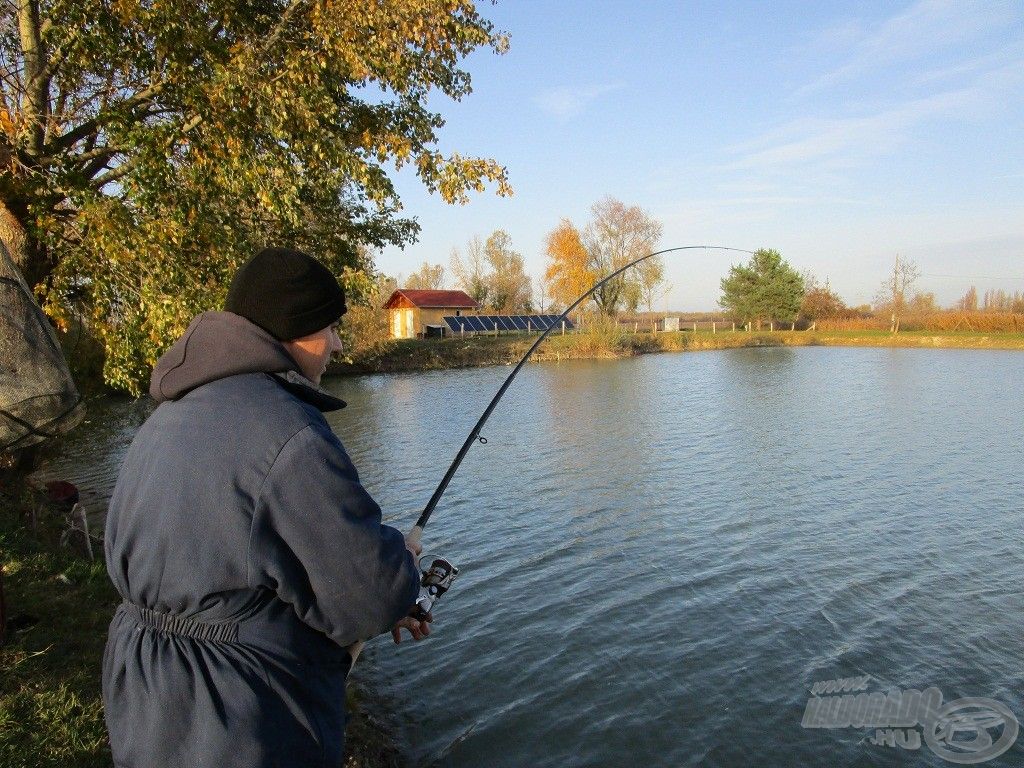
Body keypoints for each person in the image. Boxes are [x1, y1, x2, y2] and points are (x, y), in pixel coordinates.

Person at [102, 247, 430, 767]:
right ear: (296, 330)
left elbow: (230, 568)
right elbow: (367, 592)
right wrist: (402, 568)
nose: (338, 344)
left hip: (144, 697)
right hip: (241, 716)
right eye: (330, 327)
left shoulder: (166, 418)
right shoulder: (289, 435)